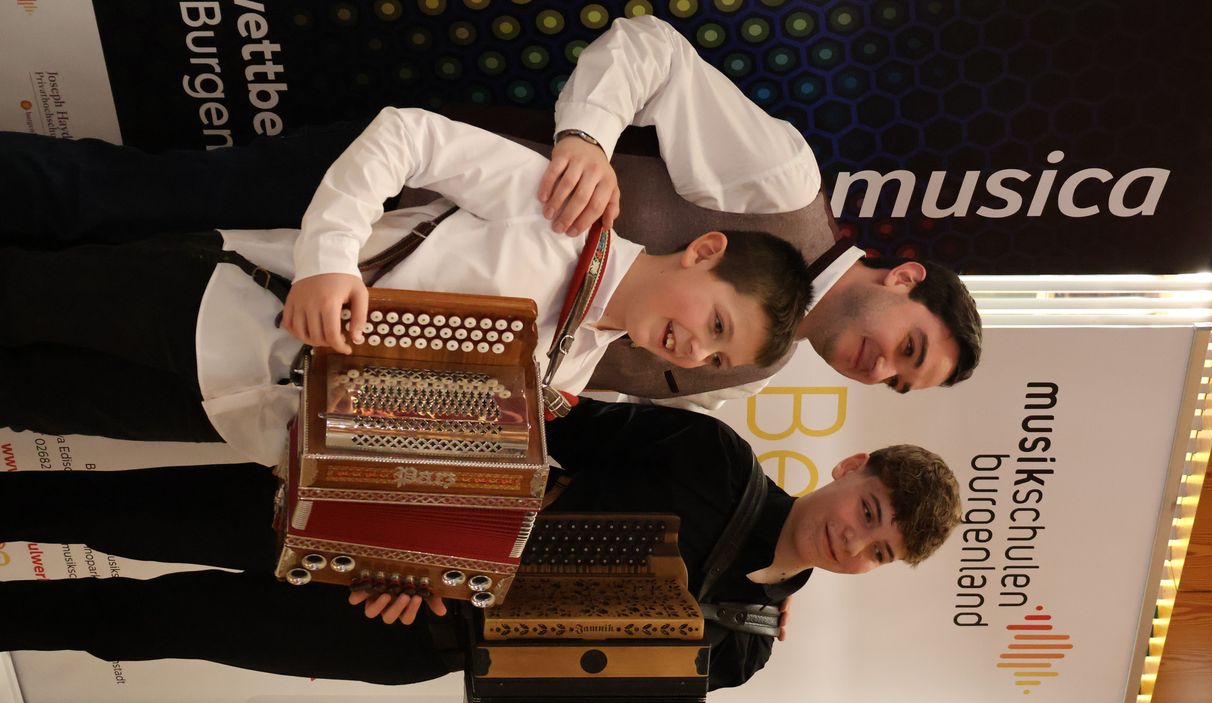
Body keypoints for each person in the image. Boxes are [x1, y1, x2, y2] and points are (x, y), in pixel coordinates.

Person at [0, 17, 981, 409]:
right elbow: (649, 51)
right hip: (396, 191)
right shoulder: (783, 186)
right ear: (901, 279)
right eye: (908, 347)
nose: (879, 367)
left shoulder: (746, 374)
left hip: (312, 356)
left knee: (71, 334)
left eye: (898, 381)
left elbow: (549, 380)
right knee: (115, 203)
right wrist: (588, 137)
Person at [0, 106, 810, 467]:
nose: (693, 349)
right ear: (703, 251)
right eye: (715, 323)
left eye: (713, 357)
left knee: (24, 398)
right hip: (220, 299)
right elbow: (405, 135)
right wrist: (329, 259)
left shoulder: (565, 384)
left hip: (232, 416)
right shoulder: (568, 213)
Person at [0, 398, 960, 692]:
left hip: (399, 640)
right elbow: (535, 432)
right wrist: (426, 555)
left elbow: (563, 685)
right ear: (852, 467)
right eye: (871, 511)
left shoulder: (744, 646)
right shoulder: (713, 455)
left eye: (878, 554)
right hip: (389, 519)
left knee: (141, 625)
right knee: (117, 511)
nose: (854, 541)